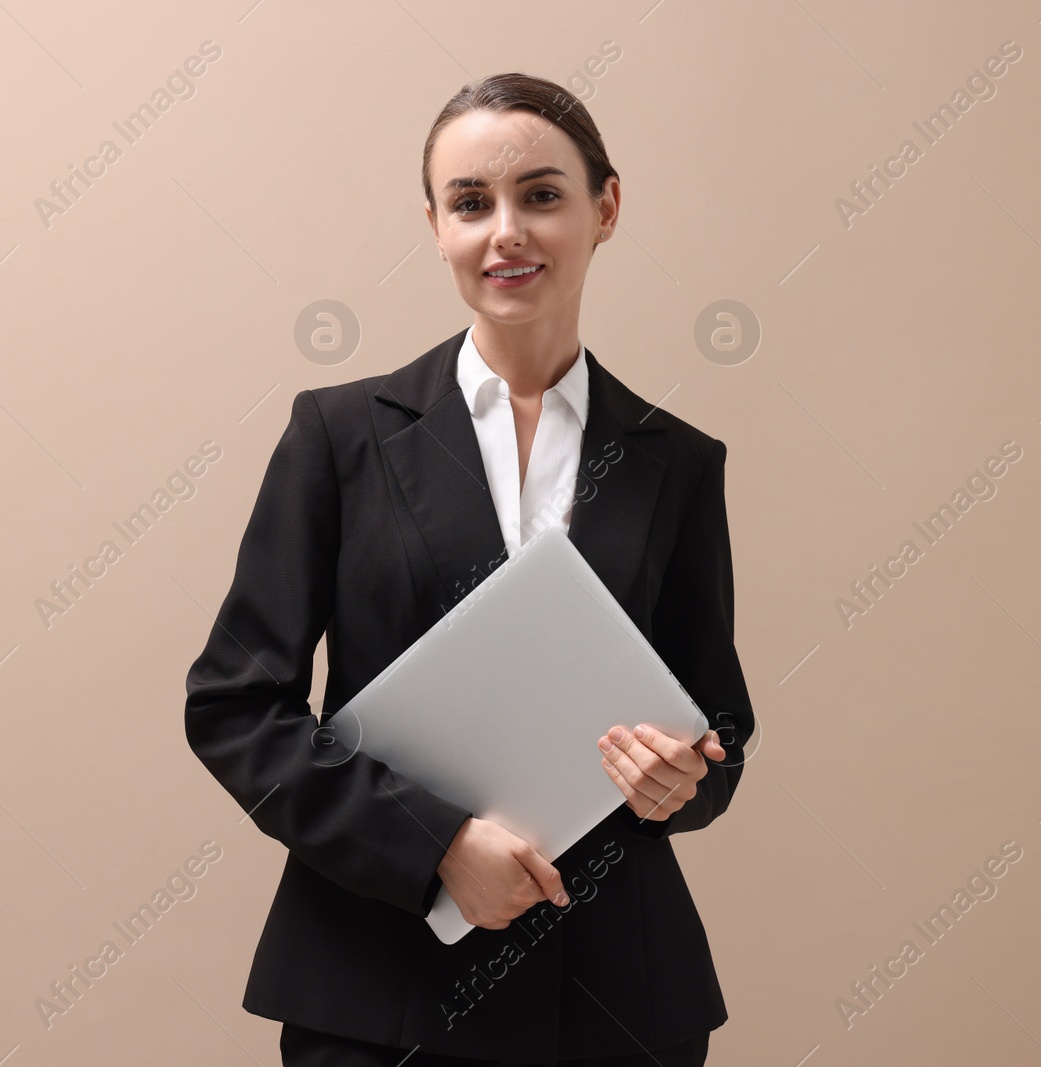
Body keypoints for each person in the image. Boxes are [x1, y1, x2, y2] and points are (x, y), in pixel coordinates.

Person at [184, 72, 755, 1067]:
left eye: (541, 194)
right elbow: (234, 705)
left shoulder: (678, 460)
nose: (507, 232)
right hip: (380, 992)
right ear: (436, 224)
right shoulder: (339, 436)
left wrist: (682, 779)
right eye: (470, 203)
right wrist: (434, 845)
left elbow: (717, 729)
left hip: (616, 1000)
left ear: (603, 207)